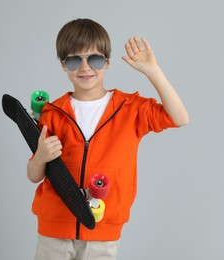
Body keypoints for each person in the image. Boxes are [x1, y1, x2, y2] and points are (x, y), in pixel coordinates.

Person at [27, 18, 189, 260]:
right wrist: (41, 156)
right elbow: (34, 175)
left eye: (94, 59)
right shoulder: (52, 112)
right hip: (54, 229)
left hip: (102, 229)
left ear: (107, 62)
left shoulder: (130, 108)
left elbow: (179, 117)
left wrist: (153, 72)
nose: (85, 68)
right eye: (74, 60)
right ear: (63, 65)